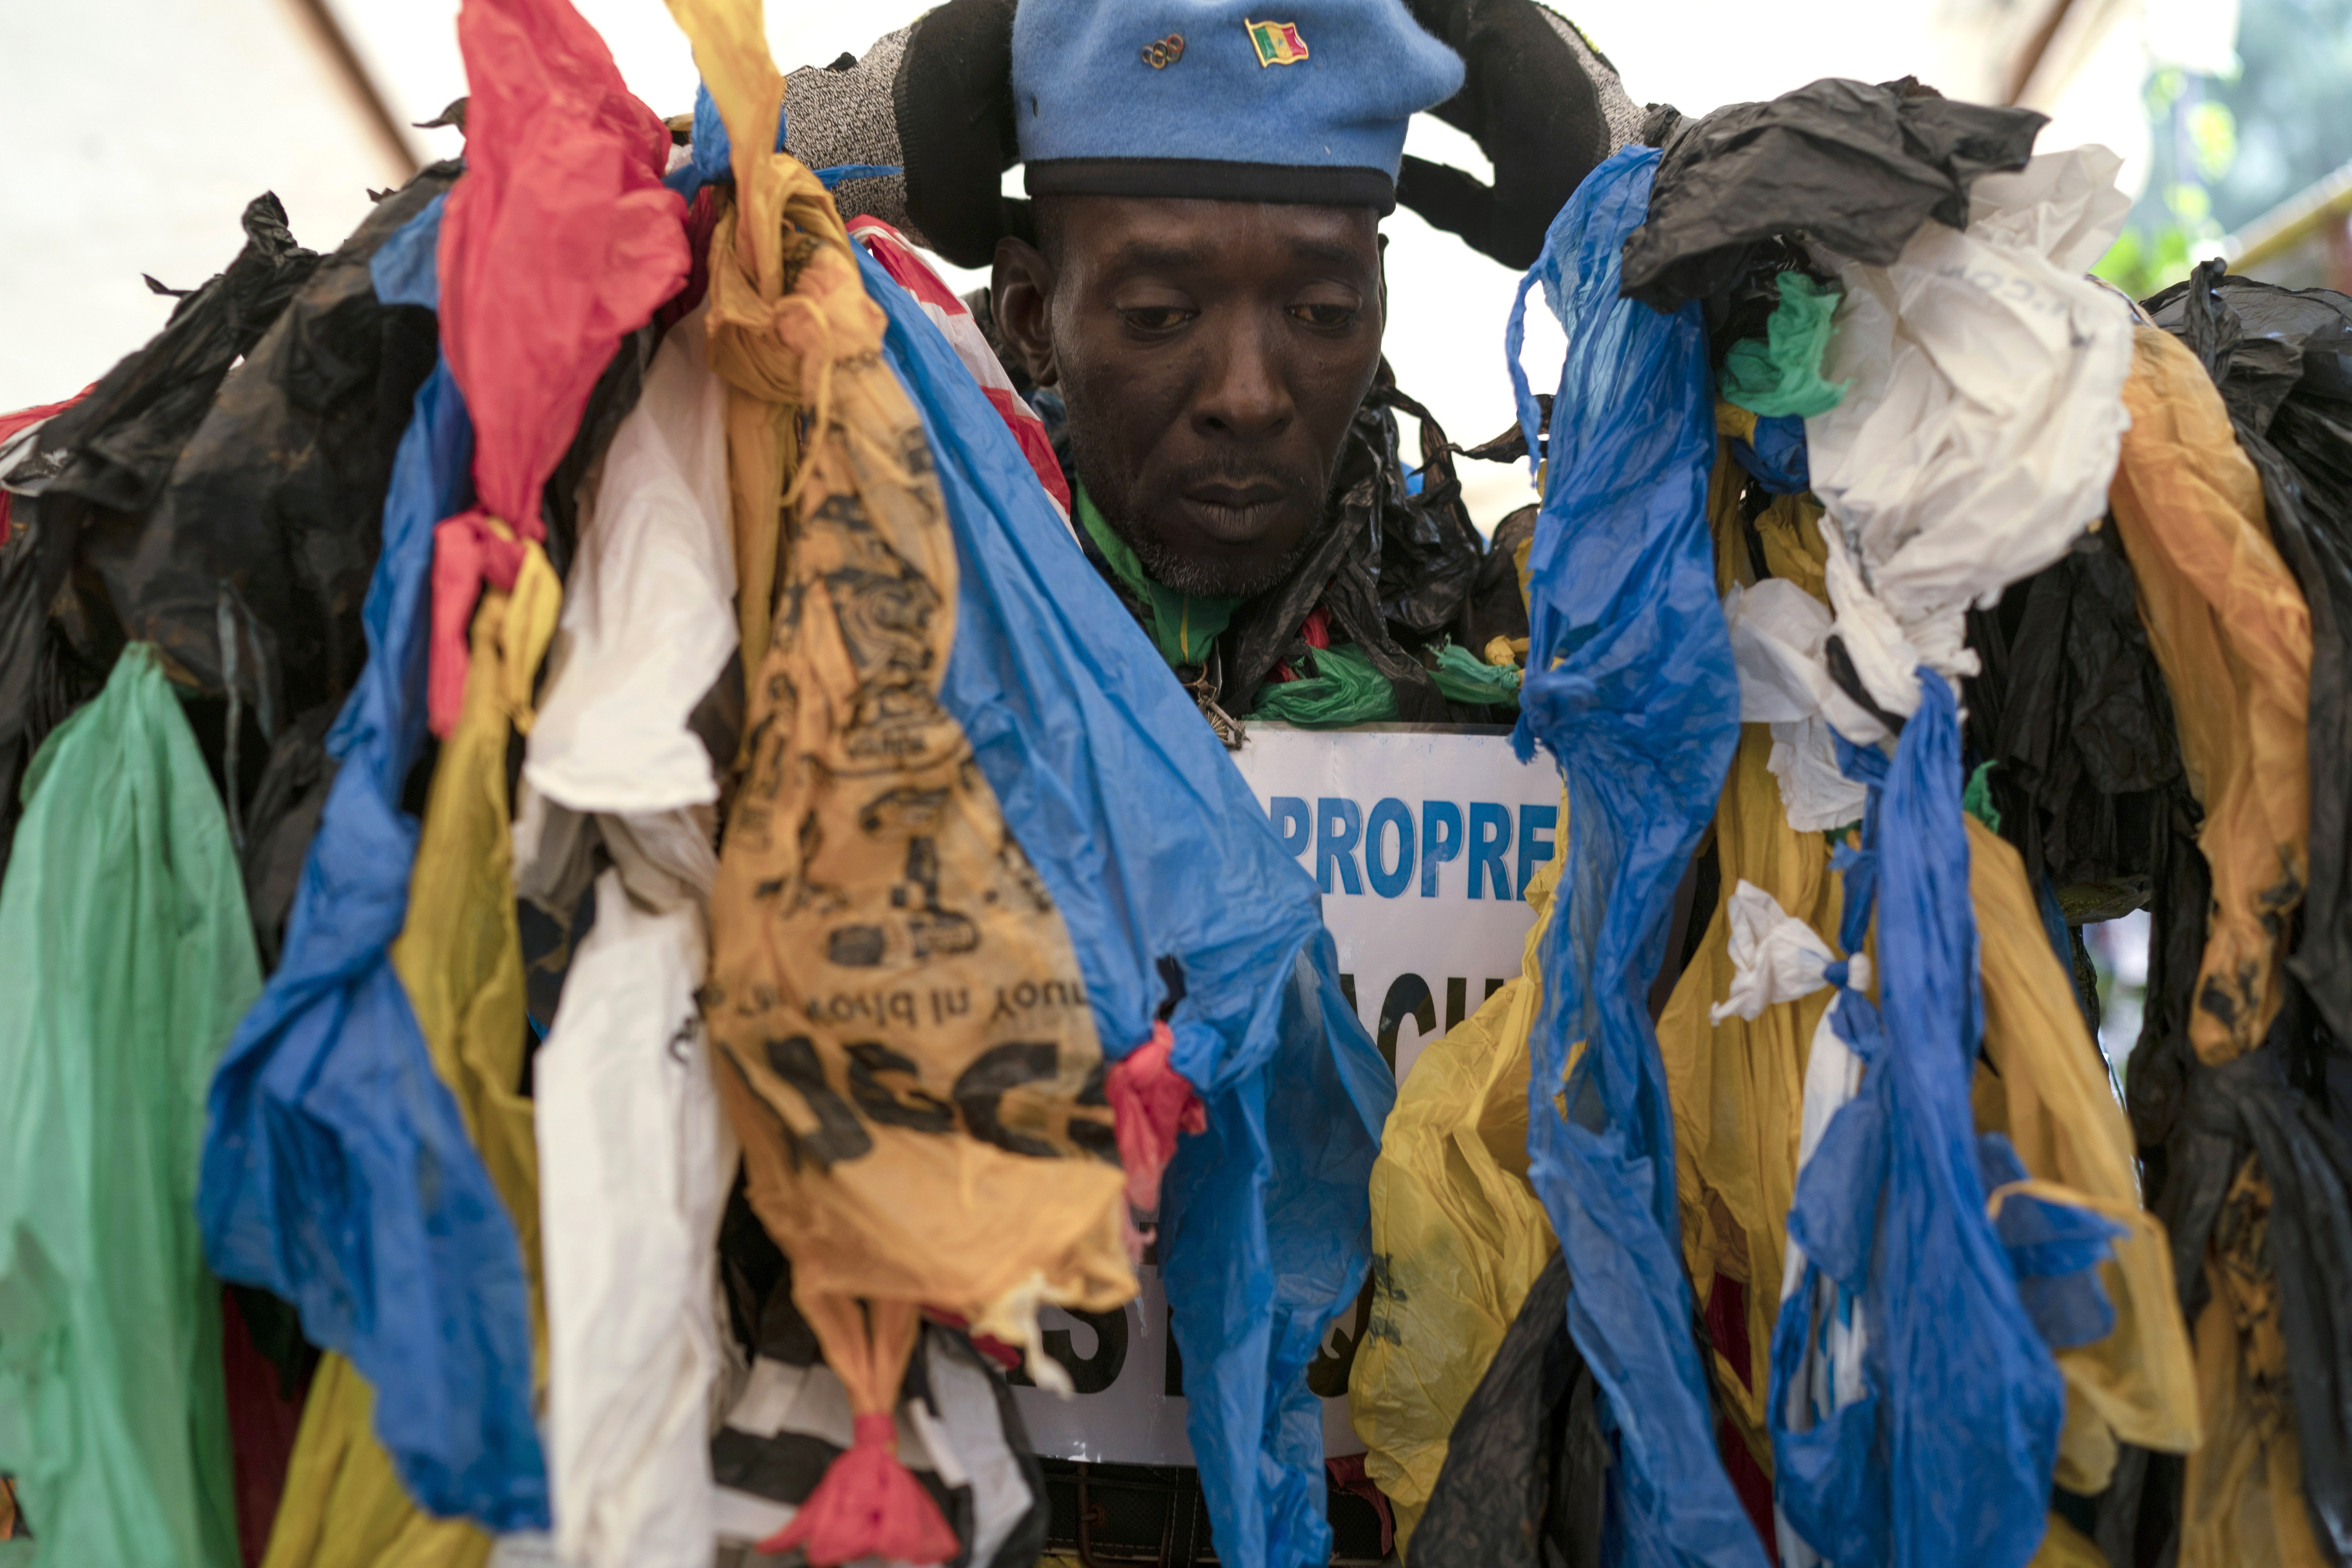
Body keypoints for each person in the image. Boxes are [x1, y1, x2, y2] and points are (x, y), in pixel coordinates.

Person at [774, 0, 1643, 737]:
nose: (1249, 396)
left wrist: (1619, 166)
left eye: (1321, 315)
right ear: (1032, 314)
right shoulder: (848, 618)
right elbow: (677, 216)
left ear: (1381, 305)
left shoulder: (1525, 648)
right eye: (1159, 315)